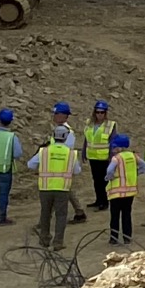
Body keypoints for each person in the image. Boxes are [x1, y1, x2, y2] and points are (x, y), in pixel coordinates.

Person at [33, 116, 77, 249]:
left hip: (45, 187)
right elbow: (77, 170)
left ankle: (44, 239)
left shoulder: (44, 151)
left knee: (45, 214)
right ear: (65, 137)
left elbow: (31, 164)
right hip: (62, 188)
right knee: (61, 216)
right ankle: (58, 242)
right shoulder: (70, 153)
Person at [50, 101, 86, 223]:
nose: (54, 116)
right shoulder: (60, 129)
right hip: (59, 164)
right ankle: (79, 211)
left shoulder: (67, 132)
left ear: (63, 115)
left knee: (58, 191)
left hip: (62, 165)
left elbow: (67, 150)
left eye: (56, 114)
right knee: (66, 189)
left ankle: (46, 218)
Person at [104, 131, 141, 246]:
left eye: (114, 147)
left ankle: (113, 238)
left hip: (116, 192)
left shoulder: (116, 158)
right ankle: (127, 237)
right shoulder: (133, 156)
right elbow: (144, 166)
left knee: (115, 216)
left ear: (120, 148)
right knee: (127, 214)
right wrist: (136, 173)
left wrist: (109, 178)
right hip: (130, 192)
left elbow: (110, 171)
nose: (113, 149)